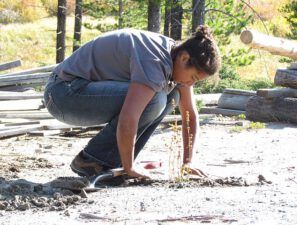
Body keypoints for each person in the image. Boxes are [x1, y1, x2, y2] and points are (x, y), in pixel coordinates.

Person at [44, 25, 221, 179]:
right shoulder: (154, 60)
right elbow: (129, 117)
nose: (191, 84)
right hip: (63, 94)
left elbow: (189, 115)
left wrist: (188, 162)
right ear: (184, 58)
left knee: (171, 97)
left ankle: (112, 162)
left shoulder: (175, 57)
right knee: (155, 99)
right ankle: (93, 161)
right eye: (193, 78)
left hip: (76, 91)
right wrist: (129, 168)